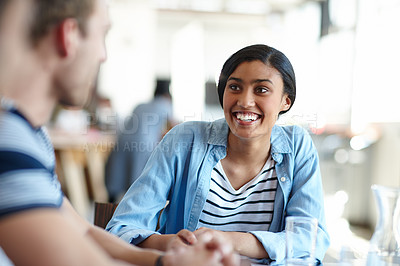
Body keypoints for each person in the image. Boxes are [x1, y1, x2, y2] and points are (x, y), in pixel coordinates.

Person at [0, 0, 240, 265]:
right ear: (68, 36)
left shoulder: (33, 136)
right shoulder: (8, 137)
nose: (103, 55)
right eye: (102, 35)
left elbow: (83, 231)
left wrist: (162, 257)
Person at [107, 44, 331, 265]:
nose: (244, 101)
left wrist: (228, 240)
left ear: (286, 101)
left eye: (261, 89)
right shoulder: (184, 140)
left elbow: (311, 240)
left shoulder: (297, 146)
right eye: (234, 87)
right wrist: (171, 244)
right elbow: (121, 229)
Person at [106, 79, 174, 202]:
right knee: (137, 183)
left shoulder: (140, 105)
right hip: (143, 145)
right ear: (167, 95)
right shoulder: (166, 104)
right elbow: (173, 128)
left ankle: (108, 211)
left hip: (122, 141)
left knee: (118, 176)